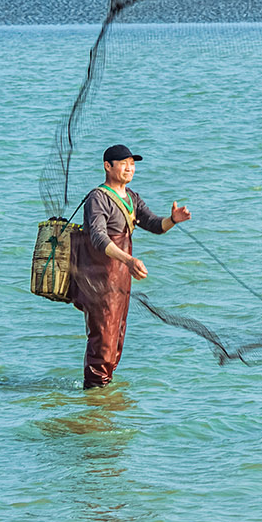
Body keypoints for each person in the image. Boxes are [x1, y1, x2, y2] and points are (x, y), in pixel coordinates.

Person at [71, 144, 191, 389]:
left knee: (116, 339)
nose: (130, 168)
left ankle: (103, 400)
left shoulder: (132, 197)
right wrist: (128, 260)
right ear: (108, 166)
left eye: (133, 164)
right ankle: (94, 396)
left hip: (121, 280)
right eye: (124, 163)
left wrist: (172, 220)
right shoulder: (98, 197)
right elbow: (98, 237)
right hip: (99, 279)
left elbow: (154, 224)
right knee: (102, 339)